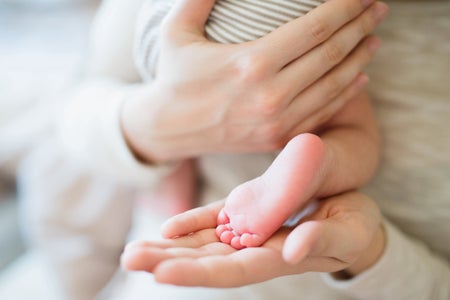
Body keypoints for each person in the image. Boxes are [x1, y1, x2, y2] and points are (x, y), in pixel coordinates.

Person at [28, 0, 449, 299]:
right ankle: (319, 162)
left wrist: (157, 124)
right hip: (305, 31)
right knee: (352, 134)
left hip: (186, 31)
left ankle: (168, 197)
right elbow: (72, 113)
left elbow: (83, 97)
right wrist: (154, 123)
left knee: (151, 77)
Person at [131, 0, 380, 250]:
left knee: (159, 85)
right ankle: (320, 164)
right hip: (284, 26)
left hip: (166, 30)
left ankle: (173, 177)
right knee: (354, 133)